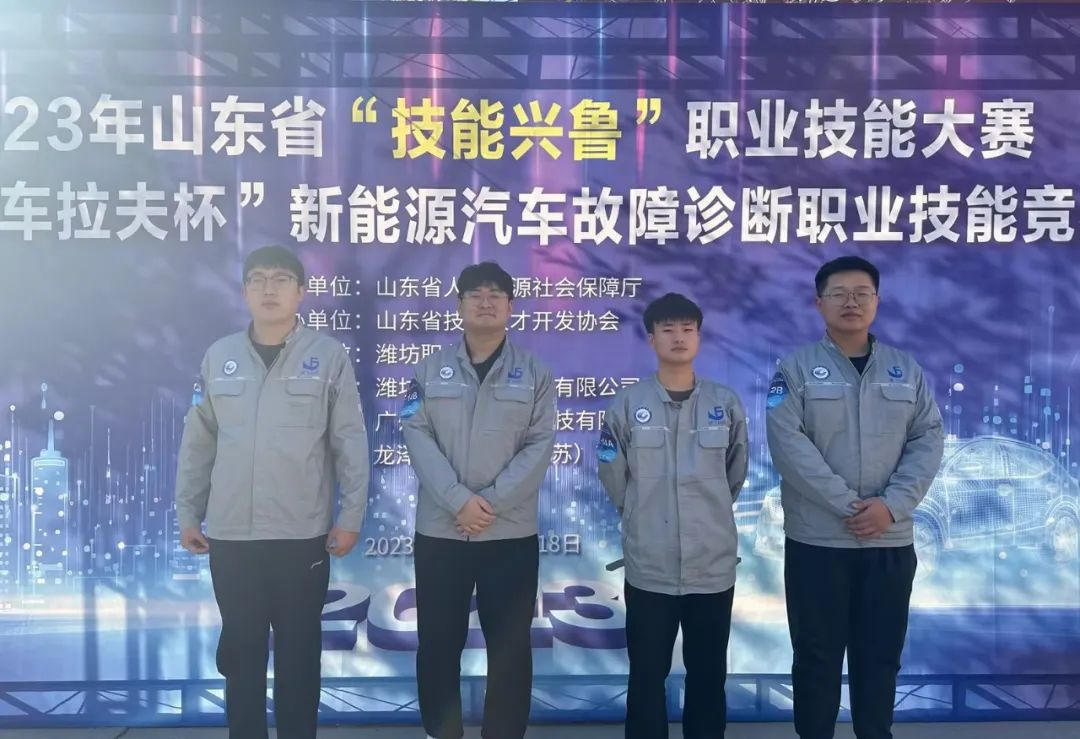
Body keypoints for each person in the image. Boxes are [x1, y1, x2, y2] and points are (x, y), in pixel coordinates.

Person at [175, 245, 370, 739]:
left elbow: (349, 441)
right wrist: (188, 513)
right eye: (258, 279)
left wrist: (351, 516)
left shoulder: (328, 357)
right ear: (244, 291)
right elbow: (198, 441)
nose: (269, 288)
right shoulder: (219, 357)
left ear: (300, 292)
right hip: (232, 536)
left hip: (300, 536)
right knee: (240, 655)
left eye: (281, 279)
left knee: (298, 656)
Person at [765, 255, 944, 739]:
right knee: (816, 657)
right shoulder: (794, 370)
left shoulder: (905, 370)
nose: (851, 302)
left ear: (877, 302)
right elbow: (788, 445)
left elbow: (928, 440)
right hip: (818, 542)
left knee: (880, 657)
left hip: (889, 540)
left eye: (862, 293)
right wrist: (851, 507)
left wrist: (890, 507)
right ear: (819, 303)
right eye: (839, 293)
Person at [401, 261, 556, 739]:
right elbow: (415, 434)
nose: (485, 303)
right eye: (475, 294)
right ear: (459, 305)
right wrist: (457, 502)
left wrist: (488, 503)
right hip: (441, 532)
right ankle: (442, 732)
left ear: (510, 307)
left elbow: (540, 445)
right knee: (437, 644)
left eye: (495, 295)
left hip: (509, 534)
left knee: (509, 649)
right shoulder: (429, 370)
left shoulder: (535, 373)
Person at [597, 292, 748, 739]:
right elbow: (613, 472)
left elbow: (735, 472)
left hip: (711, 566)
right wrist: (640, 513)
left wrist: (707, 513)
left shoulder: (724, 403)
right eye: (668, 329)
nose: (678, 337)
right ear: (651, 338)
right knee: (646, 675)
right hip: (650, 567)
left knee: (708, 674)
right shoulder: (627, 404)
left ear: (699, 337)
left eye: (687, 329)